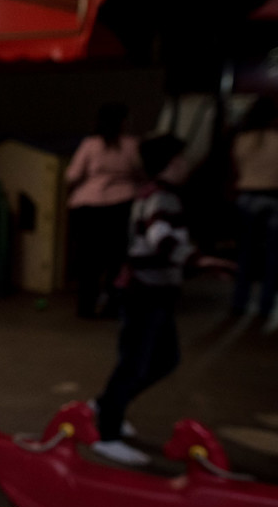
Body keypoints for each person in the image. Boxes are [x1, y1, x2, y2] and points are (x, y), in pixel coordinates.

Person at [87, 134, 236, 466]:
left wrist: (197, 264)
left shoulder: (160, 195)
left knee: (164, 359)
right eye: (181, 160)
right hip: (144, 293)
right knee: (135, 363)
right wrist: (202, 260)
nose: (185, 165)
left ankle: (109, 404)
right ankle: (106, 434)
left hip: (156, 292)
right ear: (171, 163)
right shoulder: (161, 197)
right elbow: (161, 240)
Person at [65, 102, 142, 318]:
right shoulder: (131, 145)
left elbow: (72, 175)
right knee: (116, 259)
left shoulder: (90, 144)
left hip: (87, 208)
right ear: (124, 122)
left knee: (88, 260)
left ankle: (85, 306)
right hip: (121, 206)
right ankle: (113, 305)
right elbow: (141, 172)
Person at [229, 94, 278, 332]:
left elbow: (236, 169)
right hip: (273, 196)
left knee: (245, 254)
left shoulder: (241, 139)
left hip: (247, 196)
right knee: (273, 257)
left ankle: (239, 302)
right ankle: (265, 305)